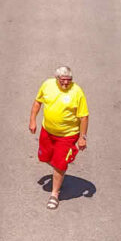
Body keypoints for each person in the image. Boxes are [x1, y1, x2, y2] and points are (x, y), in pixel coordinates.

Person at [27, 66, 89, 210]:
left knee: (60, 164)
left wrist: (82, 137)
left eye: (69, 81)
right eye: (63, 81)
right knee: (45, 158)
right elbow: (38, 102)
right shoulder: (47, 85)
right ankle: (59, 169)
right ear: (56, 79)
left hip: (67, 135)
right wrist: (32, 120)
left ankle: (55, 194)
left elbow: (84, 117)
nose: (66, 84)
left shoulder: (77, 92)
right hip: (47, 131)